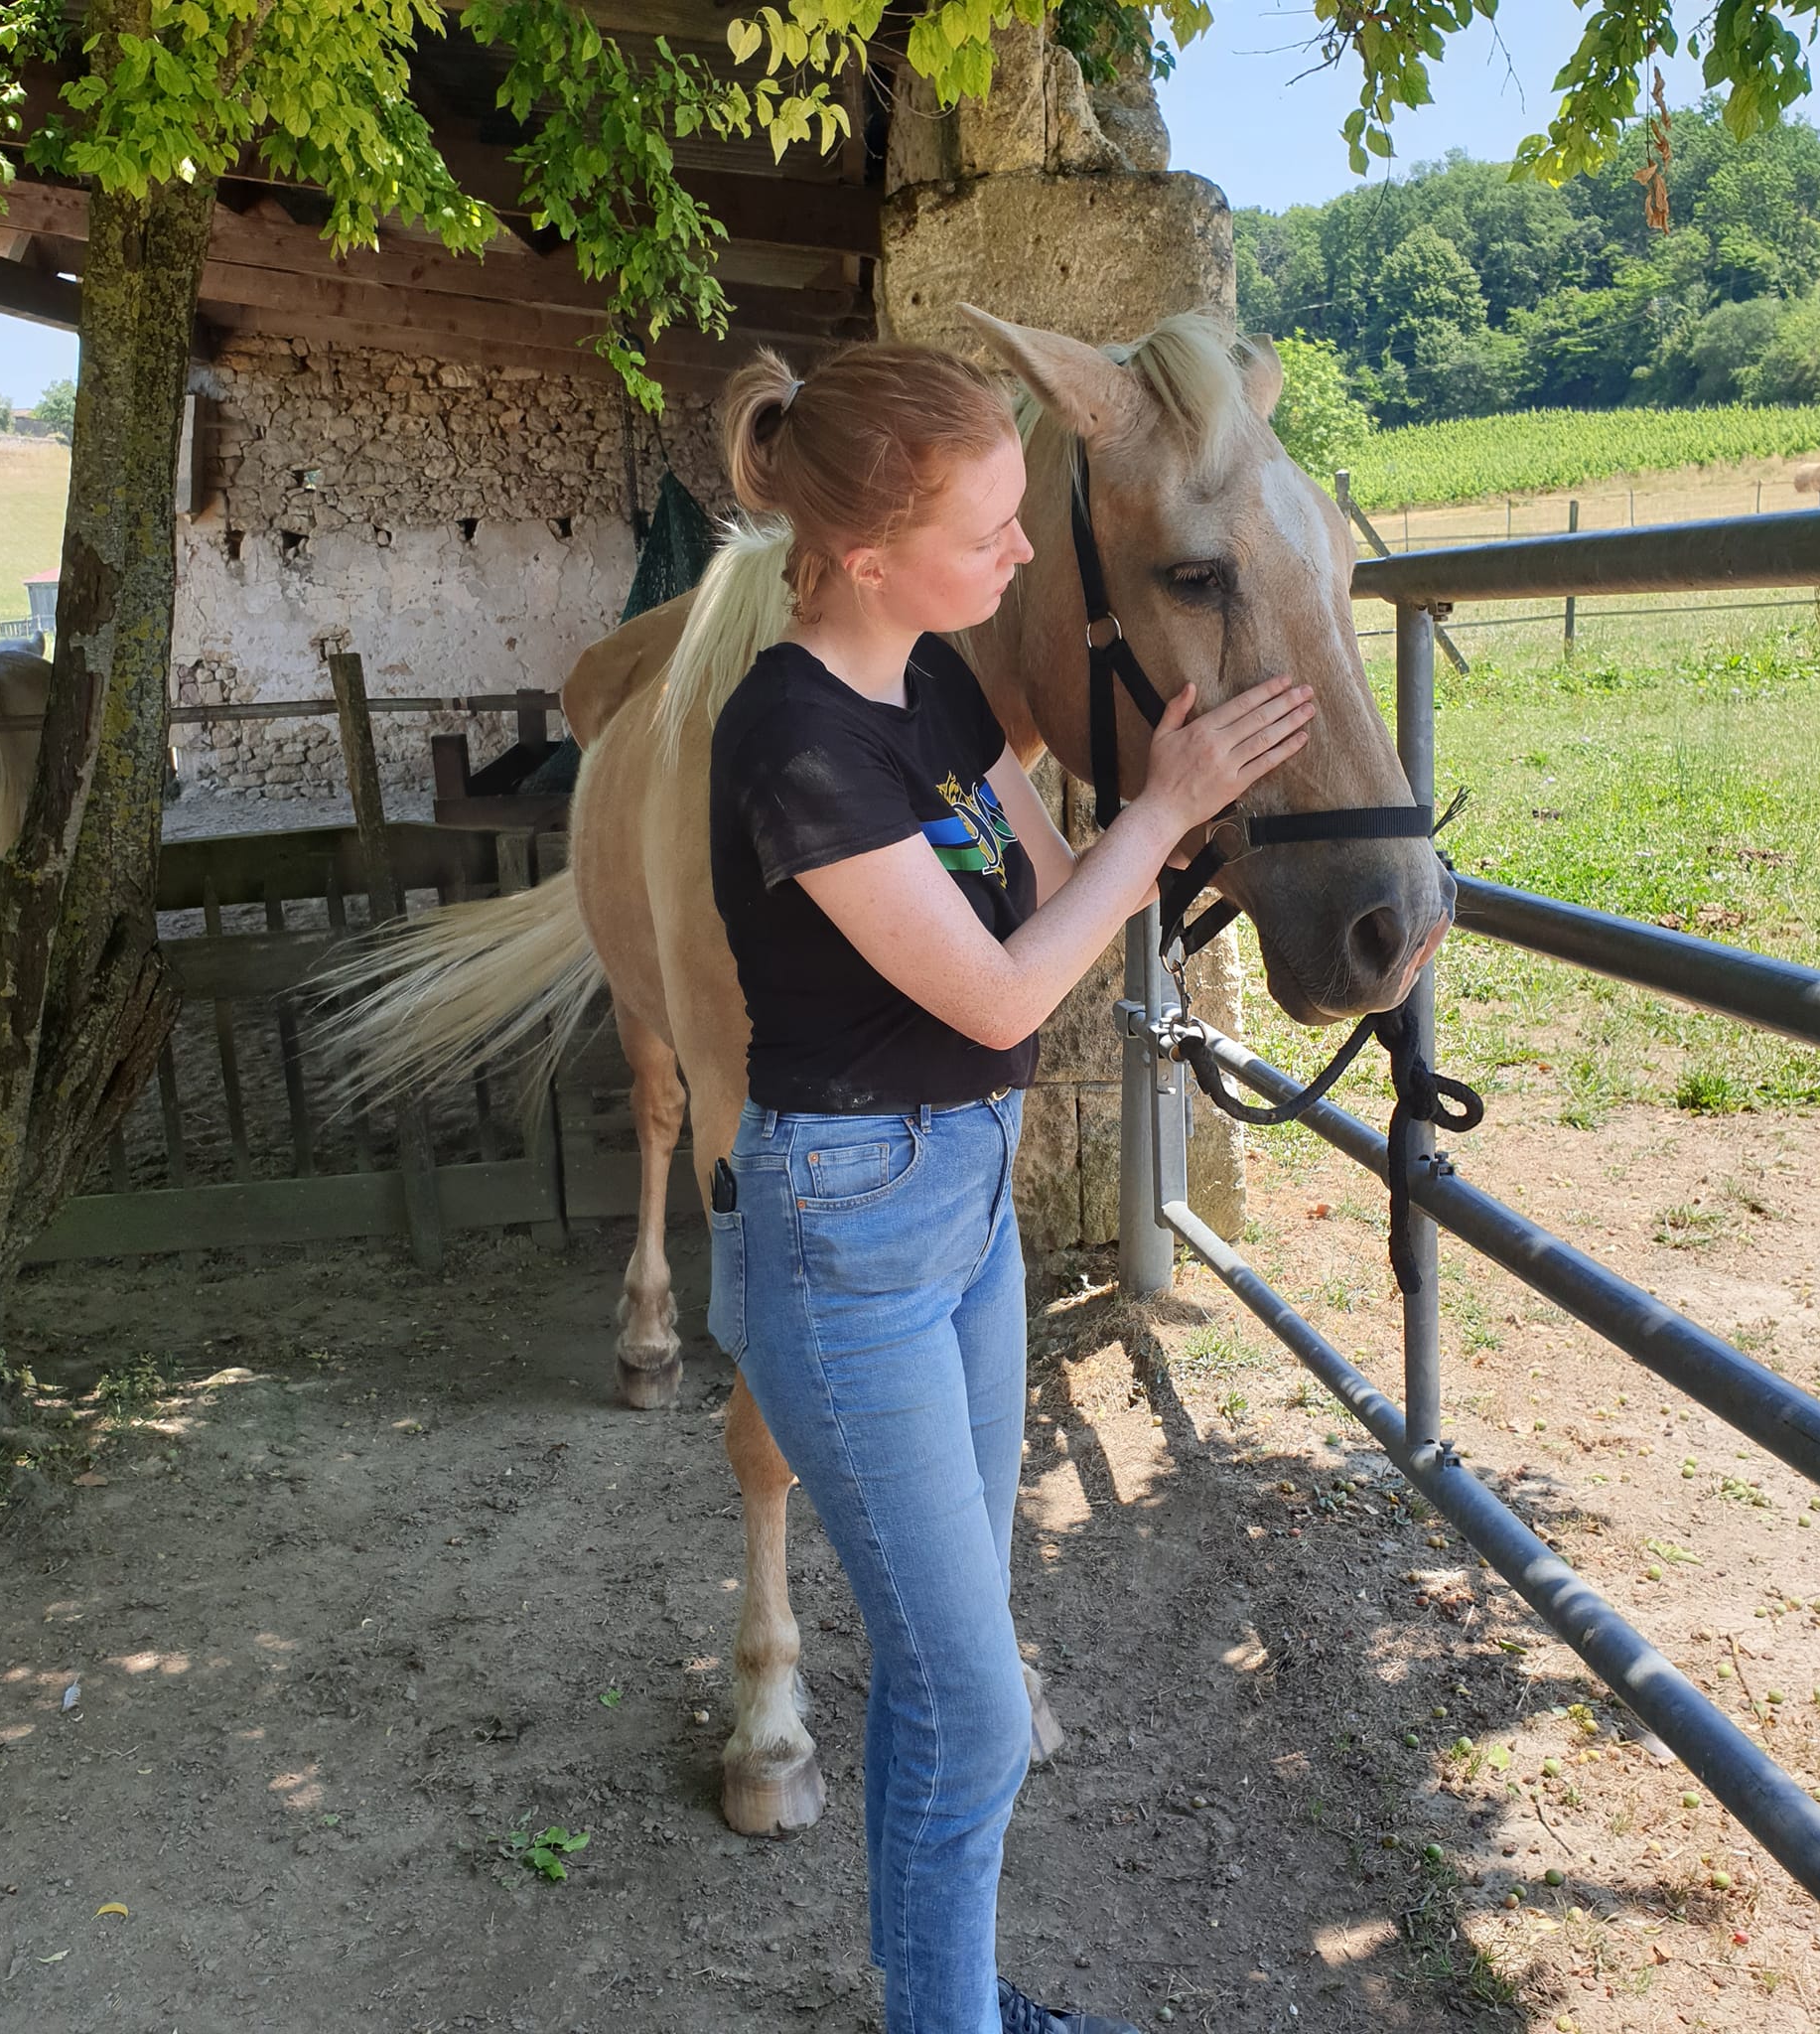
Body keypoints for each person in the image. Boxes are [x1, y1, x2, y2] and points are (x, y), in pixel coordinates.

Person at [706, 341, 1315, 2034]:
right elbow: (993, 993)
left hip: (959, 1215)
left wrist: (1188, 825)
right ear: (866, 554)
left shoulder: (936, 694)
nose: (1023, 556)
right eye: (987, 528)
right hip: (847, 1242)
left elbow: (1050, 888)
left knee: (943, 1670)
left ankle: (948, 2010)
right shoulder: (793, 740)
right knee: (976, 1708)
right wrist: (1158, 819)